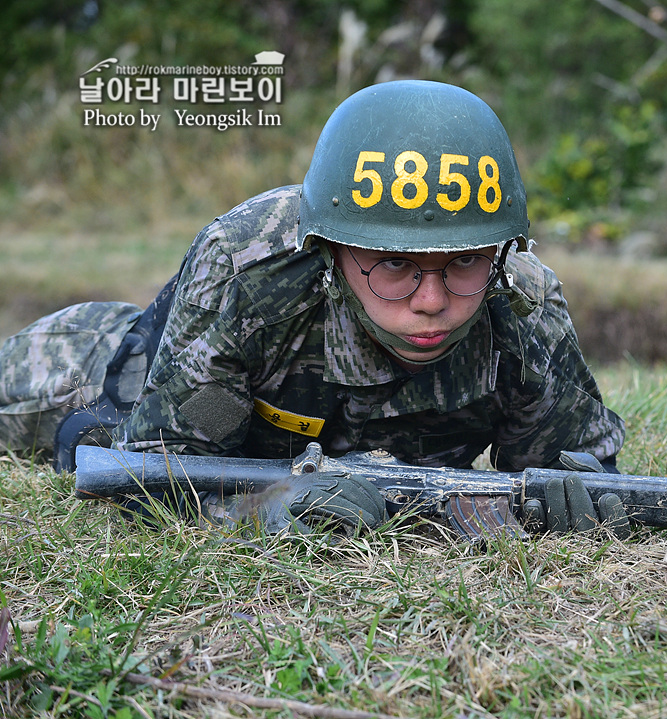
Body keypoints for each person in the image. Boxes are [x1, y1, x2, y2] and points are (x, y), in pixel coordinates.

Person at [0, 80, 629, 537]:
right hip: (93, 368)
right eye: (394, 266)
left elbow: (572, 469)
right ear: (331, 253)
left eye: (463, 262)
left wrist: (579, 492)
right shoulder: (248, 271)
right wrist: (266, 507)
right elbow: (145, 477)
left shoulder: (521, 301)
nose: (432, 302)